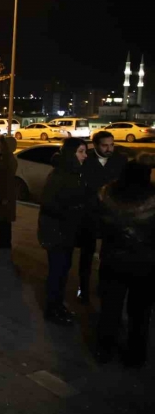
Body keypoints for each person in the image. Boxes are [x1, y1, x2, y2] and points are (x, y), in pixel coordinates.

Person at [96, 155, 155, 366]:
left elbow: (99, 224)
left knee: (110, 308)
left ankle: (104, 350)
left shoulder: (107, 193)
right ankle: (136, 355)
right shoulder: (152, 197)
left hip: (113, 260)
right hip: (145, 265)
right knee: (140, 313)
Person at [37, 138, 88, 326]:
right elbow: (50, 205)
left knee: (64, 271)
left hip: (66, 232)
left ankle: (58, 305)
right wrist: (76, 208)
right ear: (71, 153)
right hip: (56, 233)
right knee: (57, 273)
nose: (85, 156)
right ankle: (52, 309)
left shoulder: (74, 173)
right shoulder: (60, 175)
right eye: (81, 151)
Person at [77, 130, 127, 304]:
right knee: (87, 254)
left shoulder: (120, 160)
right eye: (105, 145)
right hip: (90, 215)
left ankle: (103, 288)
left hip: (111, 216)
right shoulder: (86, 160)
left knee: (108, 254)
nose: (109, 148)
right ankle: (82, 289)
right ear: (96, 145)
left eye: (111, 144)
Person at [0, 136, 18, 250]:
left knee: (4, 219)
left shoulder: (9, 160)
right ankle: (3, 240)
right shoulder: (5, 158)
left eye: (0, 145)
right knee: (1, 219)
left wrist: (5, 196)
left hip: (4, 193)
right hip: (0, 192)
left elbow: (8, 180)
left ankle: (5, 242)